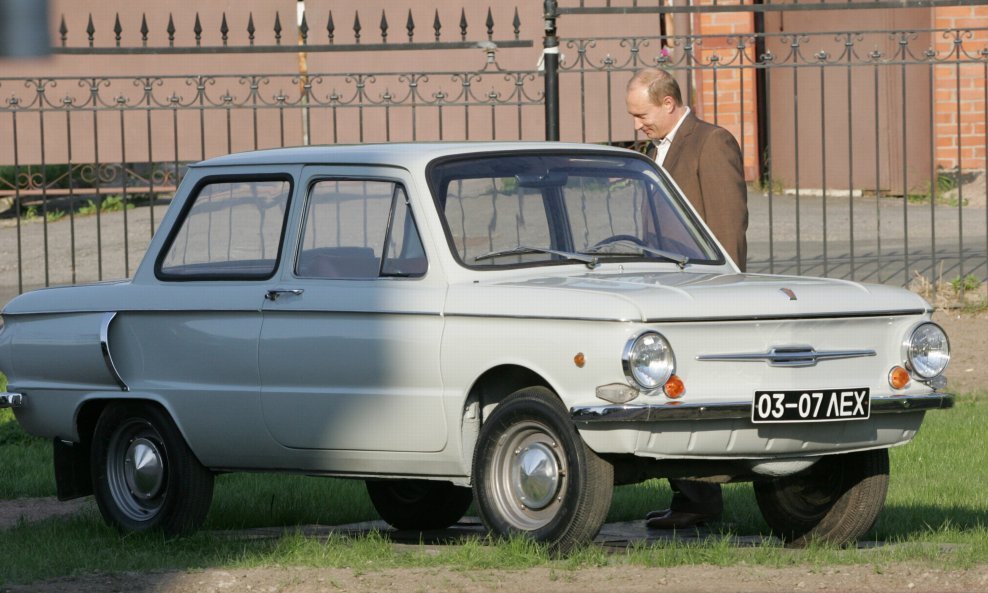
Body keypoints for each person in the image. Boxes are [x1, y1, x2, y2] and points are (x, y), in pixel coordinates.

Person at [625, 68, 748, 530]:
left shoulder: (710, 142)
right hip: (663, 289)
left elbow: (727, 221)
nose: (638, 124)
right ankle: (691, 498)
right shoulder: (657, 149)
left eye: (643, 114)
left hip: (702, 292)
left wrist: (728, 286)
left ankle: (701, 498)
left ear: (669, 103)